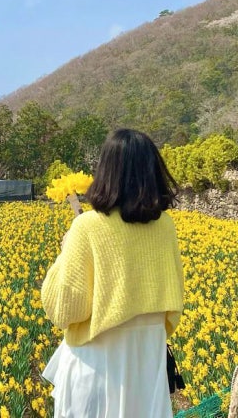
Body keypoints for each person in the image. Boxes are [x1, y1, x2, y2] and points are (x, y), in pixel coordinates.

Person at [41, 128, 184, 418]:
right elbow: (172, 308)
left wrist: (64, 252)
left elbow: (62, 309)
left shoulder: (87, 227)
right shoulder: (165, 227)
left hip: (97, 369)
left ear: (106, 172)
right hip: (147, 368)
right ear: (153, 173)